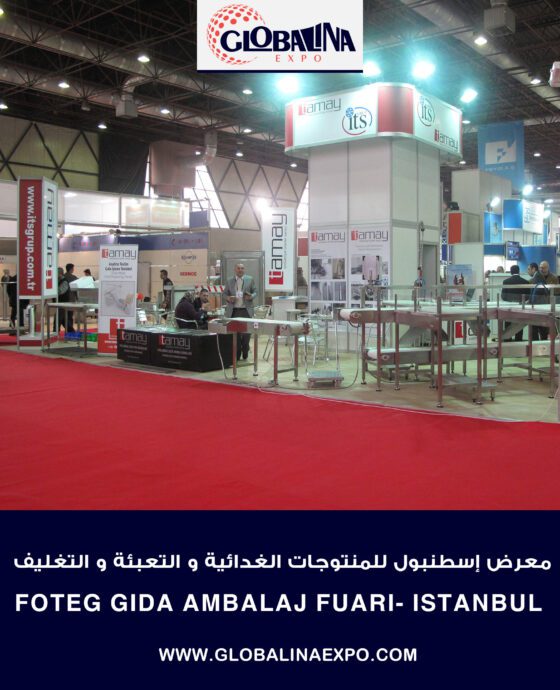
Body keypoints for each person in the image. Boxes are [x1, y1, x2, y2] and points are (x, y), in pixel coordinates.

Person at [224, 263, 257, 360]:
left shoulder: (250, 279)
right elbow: (224, 294)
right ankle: (237, 354)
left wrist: (251, 296)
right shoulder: (229, 281)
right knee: (236, 334)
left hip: (246, 310)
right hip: (234, 311)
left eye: (242, 268)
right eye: (238, 268)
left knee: (247, 334)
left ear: (244, 270)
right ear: (235, 269)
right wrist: (228, 298)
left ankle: (245, 350)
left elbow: (255, 292)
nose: (240, 270)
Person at [529, 260, 559, 340]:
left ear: (548, 268)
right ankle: (535, 343)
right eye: (540, 267)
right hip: (537, 306)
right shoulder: (534, 278)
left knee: (545, 328)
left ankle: (545, 341)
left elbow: (557, 291)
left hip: (548, 305)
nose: (542, 269)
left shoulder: (554, 278)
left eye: (544, 268)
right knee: (535, 327)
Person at [501, 265, 529, 341]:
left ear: (511, 272)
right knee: (519, 325)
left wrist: (510, 301)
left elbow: (503, 296)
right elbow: (527, 296)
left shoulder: (506, 282)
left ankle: (507, 340)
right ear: (519, 271)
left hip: (509, 308)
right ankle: (518, 341)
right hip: (520, 307)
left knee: (508, 325)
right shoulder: (525, 282)